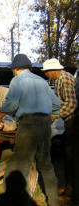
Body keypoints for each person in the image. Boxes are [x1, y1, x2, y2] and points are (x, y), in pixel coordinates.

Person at [0, 54, 60, 206]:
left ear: (16, 69)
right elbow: (56, 104)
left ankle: (17, 202)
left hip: (28, 126)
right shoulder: (42, 81)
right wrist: (48, 117)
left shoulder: (17, 80)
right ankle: (54, 202)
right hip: (44, 126)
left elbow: (11, 105)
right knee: (46, 165)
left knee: (21, 165)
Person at [42, 58, 79, 205]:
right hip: (68, 121)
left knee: (72, 157)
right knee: (67, 156)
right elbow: (58, 101)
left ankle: (75, 194)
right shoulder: (58, 81)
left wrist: (54, 115)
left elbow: (72, 104)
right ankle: (69, 189)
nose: (46, 75)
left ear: (52, 71)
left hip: (75, 121)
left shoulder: (66, 79)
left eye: (46, 73)